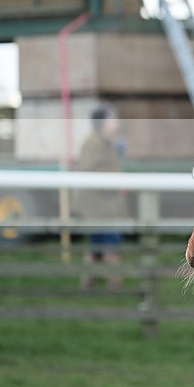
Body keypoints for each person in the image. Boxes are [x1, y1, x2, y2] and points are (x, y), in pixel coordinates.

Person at [72, 105, 128, 291]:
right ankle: (115, 283)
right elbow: (95, 171)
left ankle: (87, 282)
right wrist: (118, 179)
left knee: (95, 247)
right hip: (99, 207)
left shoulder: (107, 143)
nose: (116, 123)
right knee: (111, 244)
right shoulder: (94, 144)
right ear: (103, 123)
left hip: (101, 206)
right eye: (113, 119)